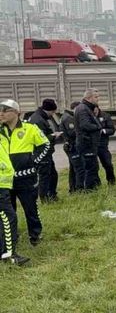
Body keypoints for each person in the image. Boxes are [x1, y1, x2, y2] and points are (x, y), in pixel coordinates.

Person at [0, 99, 49, 246]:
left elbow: (45, 145)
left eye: (5, 110)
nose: (1, 113)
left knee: (31, 208)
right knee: (8, 214)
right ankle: (10, 241)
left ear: (16, 112)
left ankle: (35, 235)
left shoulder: (30, 128)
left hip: (26, 178)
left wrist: (34, 162)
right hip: (4, 180)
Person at [0, 102, 28, 265]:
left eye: (4, 111)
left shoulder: (4, 131)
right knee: (8, 218)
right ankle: (10, 255)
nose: (1, 114)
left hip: (5, 183)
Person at [28, 99, 63, 202]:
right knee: (45, 176)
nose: (53, 114)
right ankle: (44, 198)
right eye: (52, 112)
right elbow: (39, 139)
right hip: (41, 152)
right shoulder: (38, 120)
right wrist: (53, 136)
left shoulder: (40, 117)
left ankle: (51, 195)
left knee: (52, 174)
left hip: (46, 152)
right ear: (48, 110)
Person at [74, 89, 102, 190]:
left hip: (90, 143)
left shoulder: (88, 108)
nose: (98, 99)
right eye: (96, 97)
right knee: (90, 168)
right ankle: (90, 190)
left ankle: (95, 187)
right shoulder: (82, 109)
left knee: (93, 166)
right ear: (88, 98)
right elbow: (85, 125)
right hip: (86, 143)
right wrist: (98, 127)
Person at [60, 102, 81, 193]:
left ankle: (73, 189)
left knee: (73, 168)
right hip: (72, 146)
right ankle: (78, 188)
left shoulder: (67, 116)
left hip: (70, 145)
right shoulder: (69, 118)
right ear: (75, 108)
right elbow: (72, 133)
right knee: (78, 168)